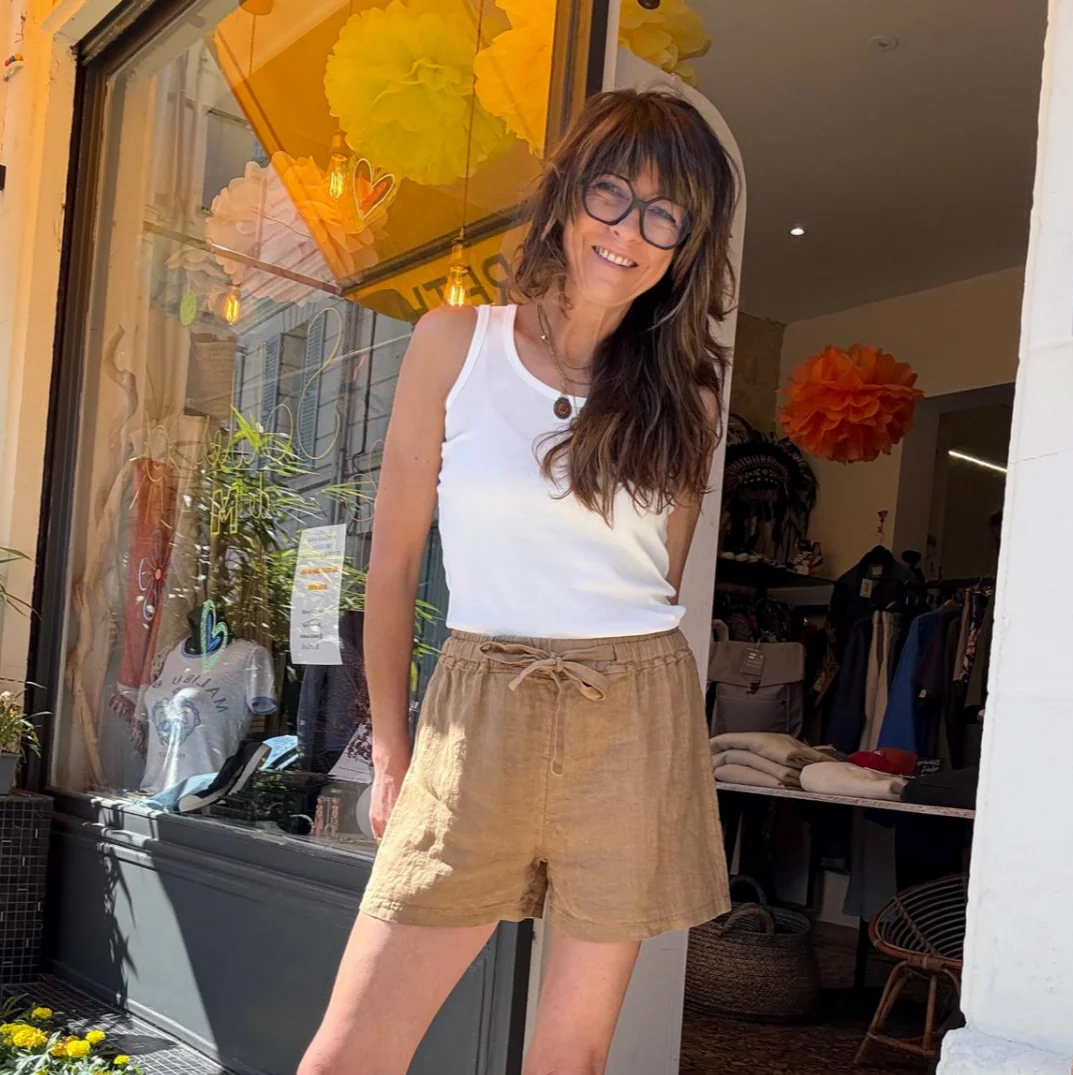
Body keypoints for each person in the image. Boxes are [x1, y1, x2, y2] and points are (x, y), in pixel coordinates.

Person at [298, 88, 738, 1075]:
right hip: (478, 709)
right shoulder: (456, 344)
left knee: (569, 1057)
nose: (627, 231)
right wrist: (392, 753)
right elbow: (392, 567)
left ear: (686, 243)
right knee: (350, 1052)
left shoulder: (687, 396)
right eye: (611, 194)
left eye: (663, 214)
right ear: (569, 195)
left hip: (631, 713)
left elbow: (655, 579)